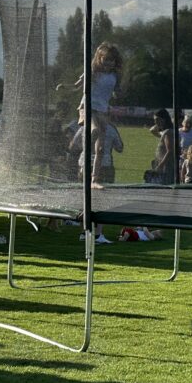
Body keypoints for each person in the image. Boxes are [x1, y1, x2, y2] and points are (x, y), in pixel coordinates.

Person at [70, 119, 123, 244]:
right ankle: (98, 234)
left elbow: (73, 145)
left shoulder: (84, 128)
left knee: (84, 199)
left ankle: (84, 232)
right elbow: (119, 147)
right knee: (101, 201)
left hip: (83, 166)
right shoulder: (109, 128)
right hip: (104, 167)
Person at [76, 42, 122, 182]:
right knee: (95, 130)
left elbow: (116, 93)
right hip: (89, 107)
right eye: (105, 59)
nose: (108, 63)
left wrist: (119, 93)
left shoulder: (114, 76)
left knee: (101, 149)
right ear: (99, 58)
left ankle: (94, 179)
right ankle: (85, 158)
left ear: (115, 61)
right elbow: (78, 85)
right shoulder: (93, 72)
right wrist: (67, 87)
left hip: (102, 110)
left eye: (111, 60)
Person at [145, 108, 175, 185]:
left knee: (164, 188)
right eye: (154, 120)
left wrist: (160, 166)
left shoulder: (168, 133)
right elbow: (152, 130)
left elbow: (170, 151)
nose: (155, 122)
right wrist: (158, 124)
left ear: (164, 119)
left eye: (157, 119)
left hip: (165, 168)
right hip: (162, 166)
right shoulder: (165, 132)